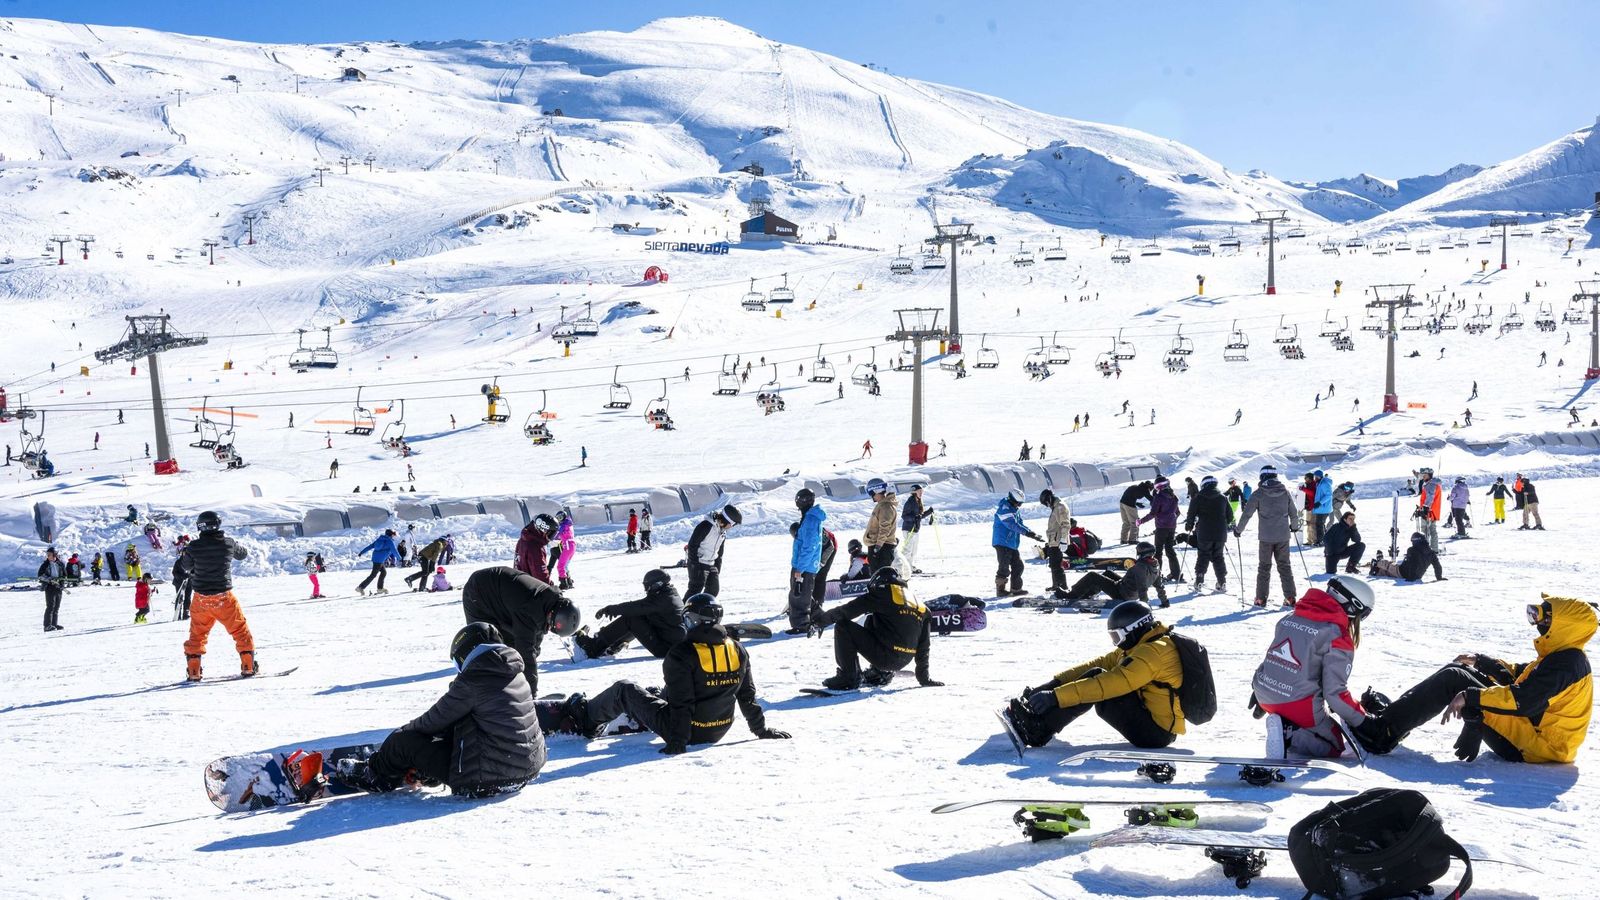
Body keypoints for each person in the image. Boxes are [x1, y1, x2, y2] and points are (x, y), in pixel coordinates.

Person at [1352, 596, 1595, 763]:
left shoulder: (1567, 663)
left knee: (1454, 679)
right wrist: (1481, 661)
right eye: (1534, 614)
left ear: (1564, 626)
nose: (1536, 622)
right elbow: (1520, 675)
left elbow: (1522, 700)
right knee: (1458, 669)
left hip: (1537, 746)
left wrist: (1471, 697)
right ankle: (1394, 719)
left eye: (1541, 616)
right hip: (1533, 732)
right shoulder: (1564, 655)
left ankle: (1381, 734)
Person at [339, 622, 545, 797]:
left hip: (485, 778)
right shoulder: (515, 673)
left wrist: (404, 741)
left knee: (402, 741)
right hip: (525, 769)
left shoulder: (473, 681)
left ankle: (374, 775)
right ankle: (424, 771)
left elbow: (431, 722)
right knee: (463, 721)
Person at [565, 594, 790, 753]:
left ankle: (585, 718)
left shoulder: (682, 653)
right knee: (666, 691)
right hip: (719, 729)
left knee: (624, 690)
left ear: (691, 620)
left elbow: (683, 703)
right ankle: (646, 708)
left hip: (687, 731)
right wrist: (761, 730)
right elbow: (747, 696)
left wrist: (678, 741)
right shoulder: (737, 649)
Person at [1003, 601, 1187, 749]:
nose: (1116, 644)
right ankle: (1036, 716)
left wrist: (1055, 697)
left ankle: (1038, 730)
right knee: (1096, 674)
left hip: (1155, 734)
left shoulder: (1151, 654)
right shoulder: (1144, 643)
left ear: (1134, 629)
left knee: (1098, 685)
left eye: (1117, 637)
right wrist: (1053, 684)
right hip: (1150, 717)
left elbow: (1108, 684)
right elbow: (1100, 663)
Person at [1250, 576, 1377, 758]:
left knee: (1302, 696)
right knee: (1334, 745)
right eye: (1363, 615)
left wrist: (1259, 688)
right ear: (1353, 605)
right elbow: (1335, 693)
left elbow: (1276, 656)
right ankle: (1290, 733)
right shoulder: (1337, 635)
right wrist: (1363, 721)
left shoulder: (1291, 616)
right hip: (1297, 703)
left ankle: (1284, 722)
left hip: (1263, 691)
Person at [812, 567, 939, 691]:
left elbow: (847, 611)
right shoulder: (921, 607)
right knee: (872, 619)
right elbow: (924, 646)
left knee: (843, 626)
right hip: (904, 659)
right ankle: (881, 674)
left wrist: (820, 621)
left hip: (885, 656)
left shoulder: (882, 593)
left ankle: (849, 677)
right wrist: (924, 678)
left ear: (877, 582)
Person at [461, 566, 579, 697]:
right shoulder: (530, 607)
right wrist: (531, 695)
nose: (549, 629)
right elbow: (526, 652)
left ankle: (510, 693)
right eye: (551, 626)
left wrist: (534, 652)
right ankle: (470, 696)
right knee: (487, 652)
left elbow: (536, 635)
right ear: (554, 614)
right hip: (478, 593)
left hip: (500, 600)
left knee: (510, 654)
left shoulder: (548, 601)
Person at [181, 511, 255, 682]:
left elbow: (186, 566)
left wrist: (189, 556)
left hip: (201, 599)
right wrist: (232, 546)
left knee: (197, 635)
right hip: (224, 597)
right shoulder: (228, 543)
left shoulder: (193, 547)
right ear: (218, 524)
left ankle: (194, 671)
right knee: (239, 630)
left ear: (200, 526)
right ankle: (248, 666)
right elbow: (242, 554)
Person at [571, 569, 685, 660]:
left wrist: (610, 609)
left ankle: (592, 648)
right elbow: (640, 607)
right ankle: (612, 645)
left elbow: (636, 607)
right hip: (671, 645)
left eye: (648, 587)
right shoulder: (668, 594)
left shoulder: (662, 599)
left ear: (656, 585)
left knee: (631, 618)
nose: (647, 590)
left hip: (667, 648)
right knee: (640, 616)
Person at [1234, 465, 1303, 607]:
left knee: (1264, 567)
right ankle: (1290, 598)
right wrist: (1294, 527)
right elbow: (1293, 512)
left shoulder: (1259, 493)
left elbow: (1247, 514)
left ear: (1262, 477)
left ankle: (1260, 599)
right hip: (1283, 536)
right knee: (1285, 566)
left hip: (1266, 538)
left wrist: (1238, 530)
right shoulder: (1285, 492)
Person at [1060, 542, 1169, 608]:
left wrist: (1144, 606)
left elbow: (1142, 587)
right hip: (1128, 589)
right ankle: (1087, 594)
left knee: (1092, 575)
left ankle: (1071, 596)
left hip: (1123, 594)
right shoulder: (1155, 564)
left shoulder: (1141, 566)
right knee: (1108, 573)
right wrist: (1164, 601)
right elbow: (1158, 583)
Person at [787, 488, 828, 634]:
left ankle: (802, 625)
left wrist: (800, 568)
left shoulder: (810, 519)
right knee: (802, 593)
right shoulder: (809, 517)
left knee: (799, 596)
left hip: (805, 566)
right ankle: (820, 617)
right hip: (804, 564)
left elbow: (810, 545)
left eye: (799, 500)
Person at [1184, 475, 1233, 592]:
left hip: (1204, 532)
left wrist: (1189, 526)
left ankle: (1199, 580)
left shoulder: (1197, 497)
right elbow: (1230, 516)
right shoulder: (1223, 497)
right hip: (1220, 533)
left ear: (1203, 485)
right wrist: (1222, 522)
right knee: (1218, 556)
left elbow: (1191, 514)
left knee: (1203, 555)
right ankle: (1222, 582)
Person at [992, 489, 1042, 597]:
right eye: (1018, 502)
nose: (1019, 505)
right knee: (1004, 567)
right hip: (1002, 542)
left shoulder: (1014, 508)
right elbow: (1011, 524)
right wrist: (1027, 533)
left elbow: (1020, 524)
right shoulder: (1004, 509)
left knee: (1018, 566)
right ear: (1012, 499)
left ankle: (1016, 589)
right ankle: (1000, 590)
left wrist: (1031, 533)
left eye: (1021, 503)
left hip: (1011, 543)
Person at [685, 505, 742, 597]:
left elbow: (720, 552)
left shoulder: (722, 531)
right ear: (728, 520)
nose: (732, 526)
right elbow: (692, 546)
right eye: (733, 524)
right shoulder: (706, 526)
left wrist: (717, 567)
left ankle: (702, 609)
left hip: (711, 563)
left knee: (713, 590)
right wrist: (695, 565)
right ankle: (683, 610)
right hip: (698, 562)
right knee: (695, 589)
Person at [1137, 477, 1182, 582]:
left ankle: (1156, 576)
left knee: (1158, 551)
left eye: (1156, 487)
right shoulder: (1173, 496)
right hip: (1171, 527)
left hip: (1161, 528)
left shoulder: (1159, 497)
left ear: (1159, 486)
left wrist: (1140, 521)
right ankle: (1176, 574)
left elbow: (1153, 513)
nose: (1156, 489)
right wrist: (1171, 520)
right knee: (1170, 550)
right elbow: (1177, 513)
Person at [1370, 532, 1444, 582]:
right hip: (1418, 576)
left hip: (1404, 573)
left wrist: (1410, 578)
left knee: (1389, 565)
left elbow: (1412, 565)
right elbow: (1437, 566)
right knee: (1388, 572)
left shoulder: (1412, 550)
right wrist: (1439, 577)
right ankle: (1376, 571)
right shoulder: (1431, 553)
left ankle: (1378, 562)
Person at [862, 478, 899, 575]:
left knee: (880, 576)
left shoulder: (886, 506)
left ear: (876, 491)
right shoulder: (882, 505)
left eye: (871, 493)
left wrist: (878, 546)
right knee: (876, 576)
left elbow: (885, 528)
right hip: (880, 546)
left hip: (882, 548)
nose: (871, 497)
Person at [1041, 489, 1073, 596]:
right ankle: (1056, 585)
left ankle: (1062, 587)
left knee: (1057, 565)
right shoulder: (1055, 506)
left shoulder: (1060, 506)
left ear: (1049, 498)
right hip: (1053, 541)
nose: (1047, 505)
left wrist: (1063, 540)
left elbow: (1065, 524)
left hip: (1059, 541)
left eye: (1046, 503)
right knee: (1053, 564)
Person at [898, 484, 934, 575]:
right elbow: (904, 516)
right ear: (914, 492)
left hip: (915, 530)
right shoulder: (910, 502)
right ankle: (903, 567)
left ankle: (909, 566)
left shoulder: (918, 502)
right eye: (919, 491)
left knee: (914, 550)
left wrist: (929, 512)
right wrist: (914, 518)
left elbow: (919, 516)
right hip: (908, 529)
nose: (921, 493)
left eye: (922, 491)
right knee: (908, 550)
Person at [514, 514, 558, 581]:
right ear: (544, 530)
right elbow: (540, 576)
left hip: (519, 582)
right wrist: (550, 588)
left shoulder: (524, 538)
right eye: (551, 534)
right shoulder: (535, 547)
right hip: (530, 587)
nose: (550, 538)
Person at [356, 529, 400, 595]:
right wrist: (400, 558)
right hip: (379, 560)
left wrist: (361, 552)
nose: (393, 536)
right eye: (392, 534)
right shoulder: (389, 541)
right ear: (390, 535)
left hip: (376, 559)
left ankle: (380, 588)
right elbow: (394, 550)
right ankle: (361, 587)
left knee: (383, 572)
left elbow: (370, 546)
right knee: (373, 575)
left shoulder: (380, 539)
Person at [1322, 511, 1365, 575]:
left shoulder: (1351, 528)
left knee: (1361, 545)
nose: (1352, 521)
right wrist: (1329, 552)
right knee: (1330, 573)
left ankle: (1351, 566)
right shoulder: (1336, 526)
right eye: (1350, 519)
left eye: (1353, 519)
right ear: (1345, 519)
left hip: (1343, 552)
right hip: (1332, 554)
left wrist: (1354, 528)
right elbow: (1326, 539)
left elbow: (1357, 540)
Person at [1414, 467, 1443, 551]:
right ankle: (1434, 549)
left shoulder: (1431, 485)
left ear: (1429, 475)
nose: (1423, 476)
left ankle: (1425, 550)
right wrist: (1421, 508)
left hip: (1429, 512)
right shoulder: (1433, 484)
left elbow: (1430, 497)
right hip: (1432, 511)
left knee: (1425, 530)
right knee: (1431, 530)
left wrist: (1425, 508)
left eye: (1424, 475)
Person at [38, 547, 66, 632]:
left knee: (57, 607)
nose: (48, 556)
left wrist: (61, 583)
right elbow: (40, 575)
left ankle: (54, 624)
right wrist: (49, 579)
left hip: (58, 587)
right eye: (47, 554)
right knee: (50, 606)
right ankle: (47, 626)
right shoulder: (45, 564)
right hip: (49, 587)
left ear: (54, 554)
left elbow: (64, 575)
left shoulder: (60, 564)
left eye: (49, 554)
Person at [1311, 471, 1334, 546]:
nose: (1315, 478)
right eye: (1315, 477)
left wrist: (1320, 503)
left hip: (1324, 508)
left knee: (1319, 525)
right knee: (1320, 524)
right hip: (1322, 508)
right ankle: (1324, 540)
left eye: (1316, 477)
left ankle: (1320, 541)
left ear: (1320, 477)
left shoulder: (1324, 484)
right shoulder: (1320, 483)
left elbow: (1329, 495)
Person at [555, 513, 577, 590]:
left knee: (560, 566)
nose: (559, 519)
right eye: (558, 518)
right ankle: (569, 581)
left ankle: (564, 583)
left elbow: (557, 535)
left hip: (568, 546)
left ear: (564, 517)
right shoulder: (568, 523)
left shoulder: (564, 525)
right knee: (565, 565)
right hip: (571, 546)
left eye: (560, 517)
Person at [172, 552, 193, 619]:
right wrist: (182, 576)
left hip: (189, 583)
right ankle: (178, 614)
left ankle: (186, 613)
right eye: (184, 553)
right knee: (179, 598)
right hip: (179, 583)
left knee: (188, 598)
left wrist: (191, 575)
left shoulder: (192, 562)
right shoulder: (178, 562)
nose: (185, 555)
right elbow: (174, 572)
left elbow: (195, 571)